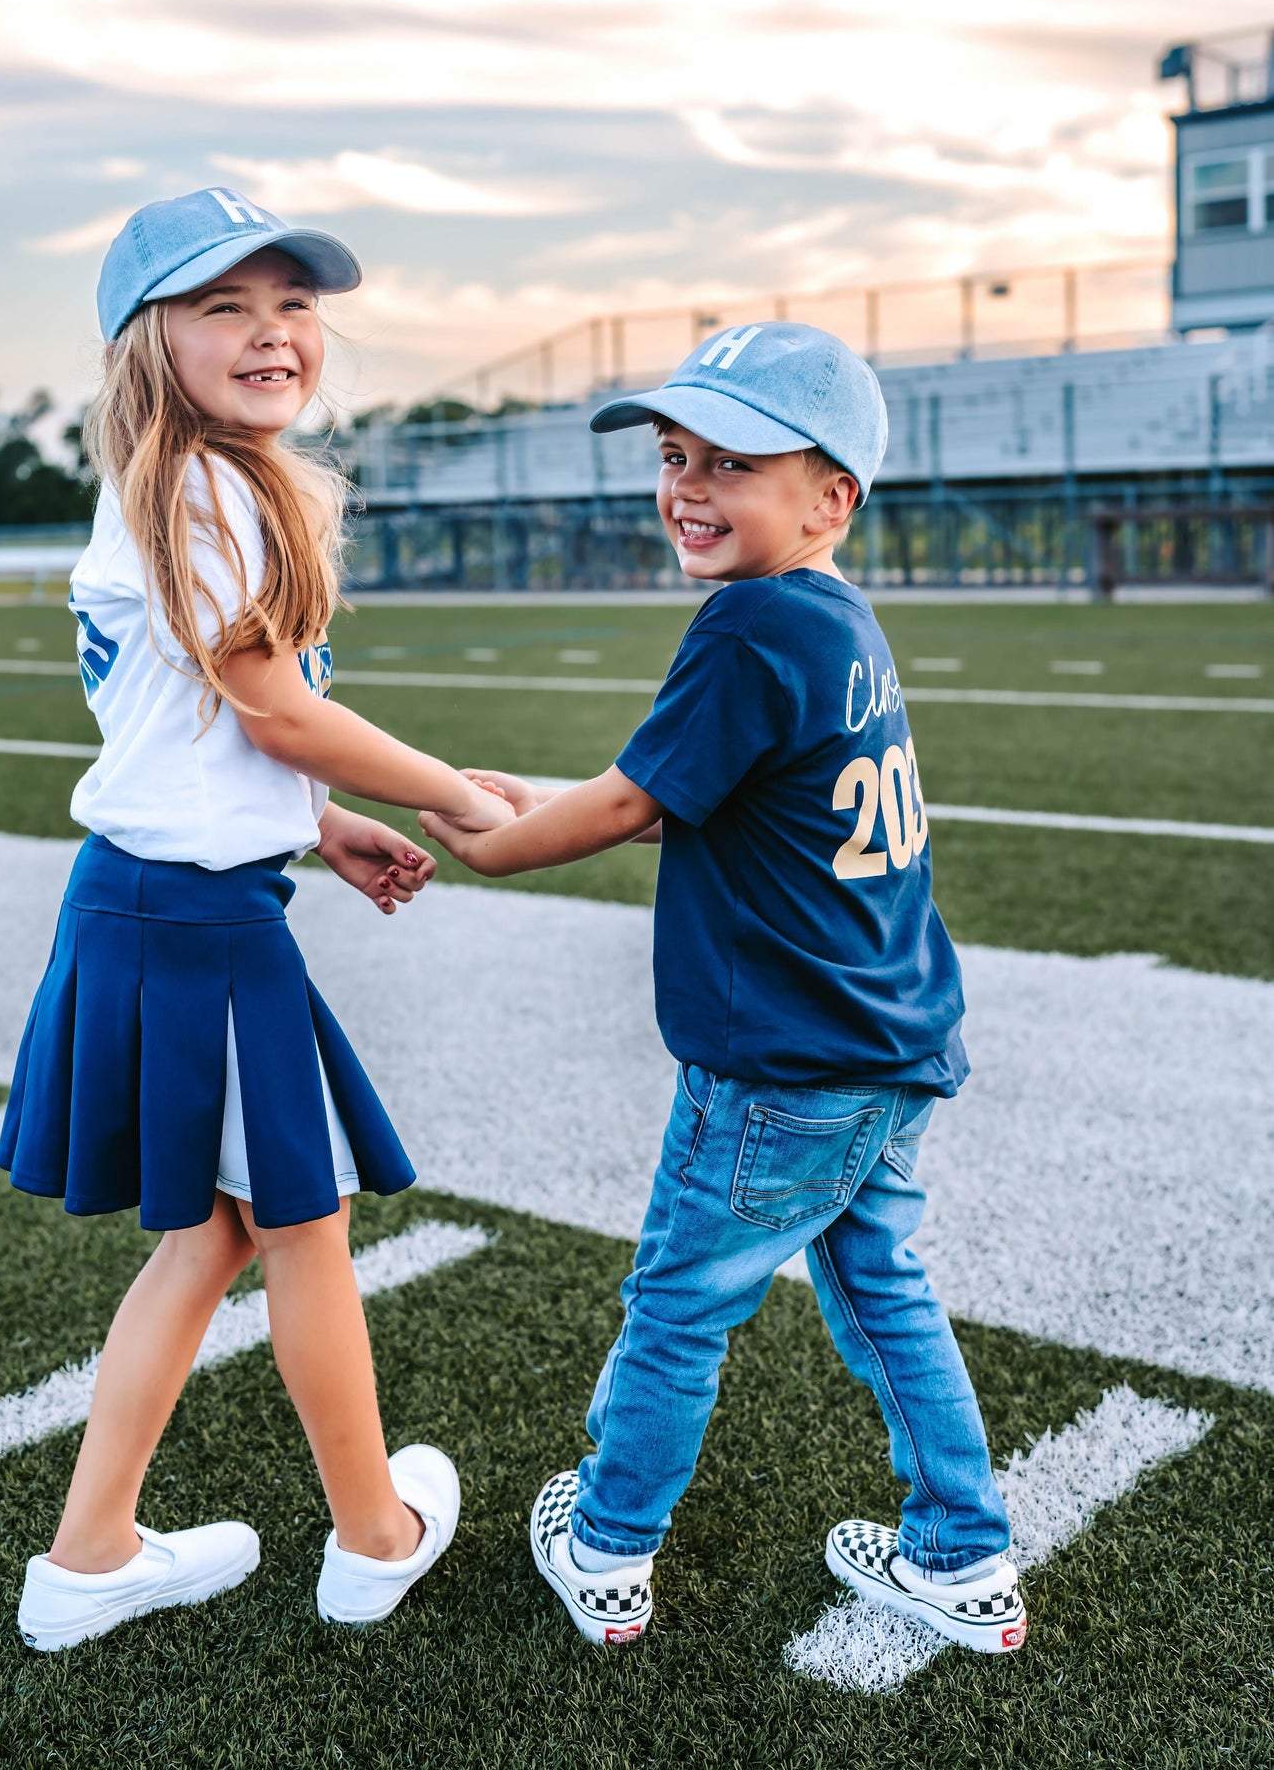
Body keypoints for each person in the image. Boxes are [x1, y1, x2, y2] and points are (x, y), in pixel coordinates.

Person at [423, 322, 1026, 1657]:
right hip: (887, 1043)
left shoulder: (748, 622)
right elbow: (718, 803)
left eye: (733, 463)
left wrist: (491, 843)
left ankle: (608, 1542)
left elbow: (634, 802)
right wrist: (546, 798)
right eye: (674, 454)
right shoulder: (834, 615)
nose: (687, 486)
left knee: (679, 1305)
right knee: (884, 1292)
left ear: (829, 497)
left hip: (779, 1062)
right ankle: (962, 1552)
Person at [0, 186, 511, 1652]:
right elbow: (274, 708)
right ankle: (373, 1537)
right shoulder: (206, 490)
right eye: (223, 306)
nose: (271, 331)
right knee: (301, 1225)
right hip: (195, 924)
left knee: (219, 1233)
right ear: (147, 343)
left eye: (292, 304)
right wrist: (451, 796)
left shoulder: (183, 483)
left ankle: (92, 1555)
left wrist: (324, 825)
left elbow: (192, 727)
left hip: (157, 900)